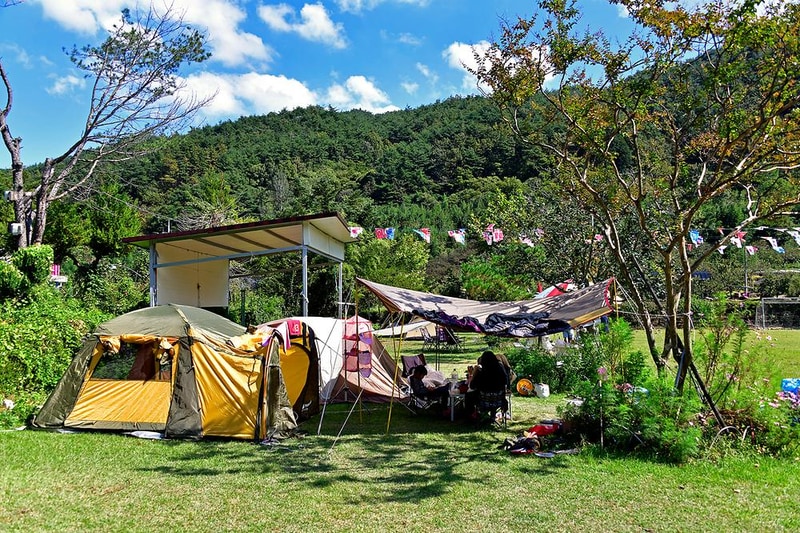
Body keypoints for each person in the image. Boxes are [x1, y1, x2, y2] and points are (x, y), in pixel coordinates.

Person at [465, 350, 509, 418]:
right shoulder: (500, 369)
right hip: (498, 401)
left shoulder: (482, 373)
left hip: (483, 401)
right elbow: (506, 381)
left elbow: (472, 386)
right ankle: (492, 416)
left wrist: (475, 373)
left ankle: (471, 416)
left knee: (468, 396)